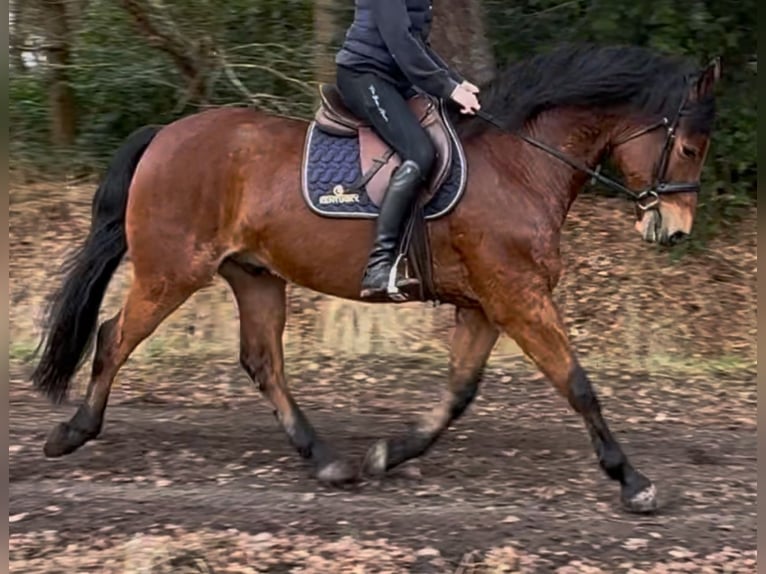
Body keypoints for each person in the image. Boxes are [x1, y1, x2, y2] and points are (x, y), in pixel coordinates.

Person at [335, 0, 481, 300]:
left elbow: (416, 43)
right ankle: (378, 266)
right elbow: (399, 41)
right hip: (365, 75)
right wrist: (448, 88)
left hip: (396, 79)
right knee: (420, 152)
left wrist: (455, 81)